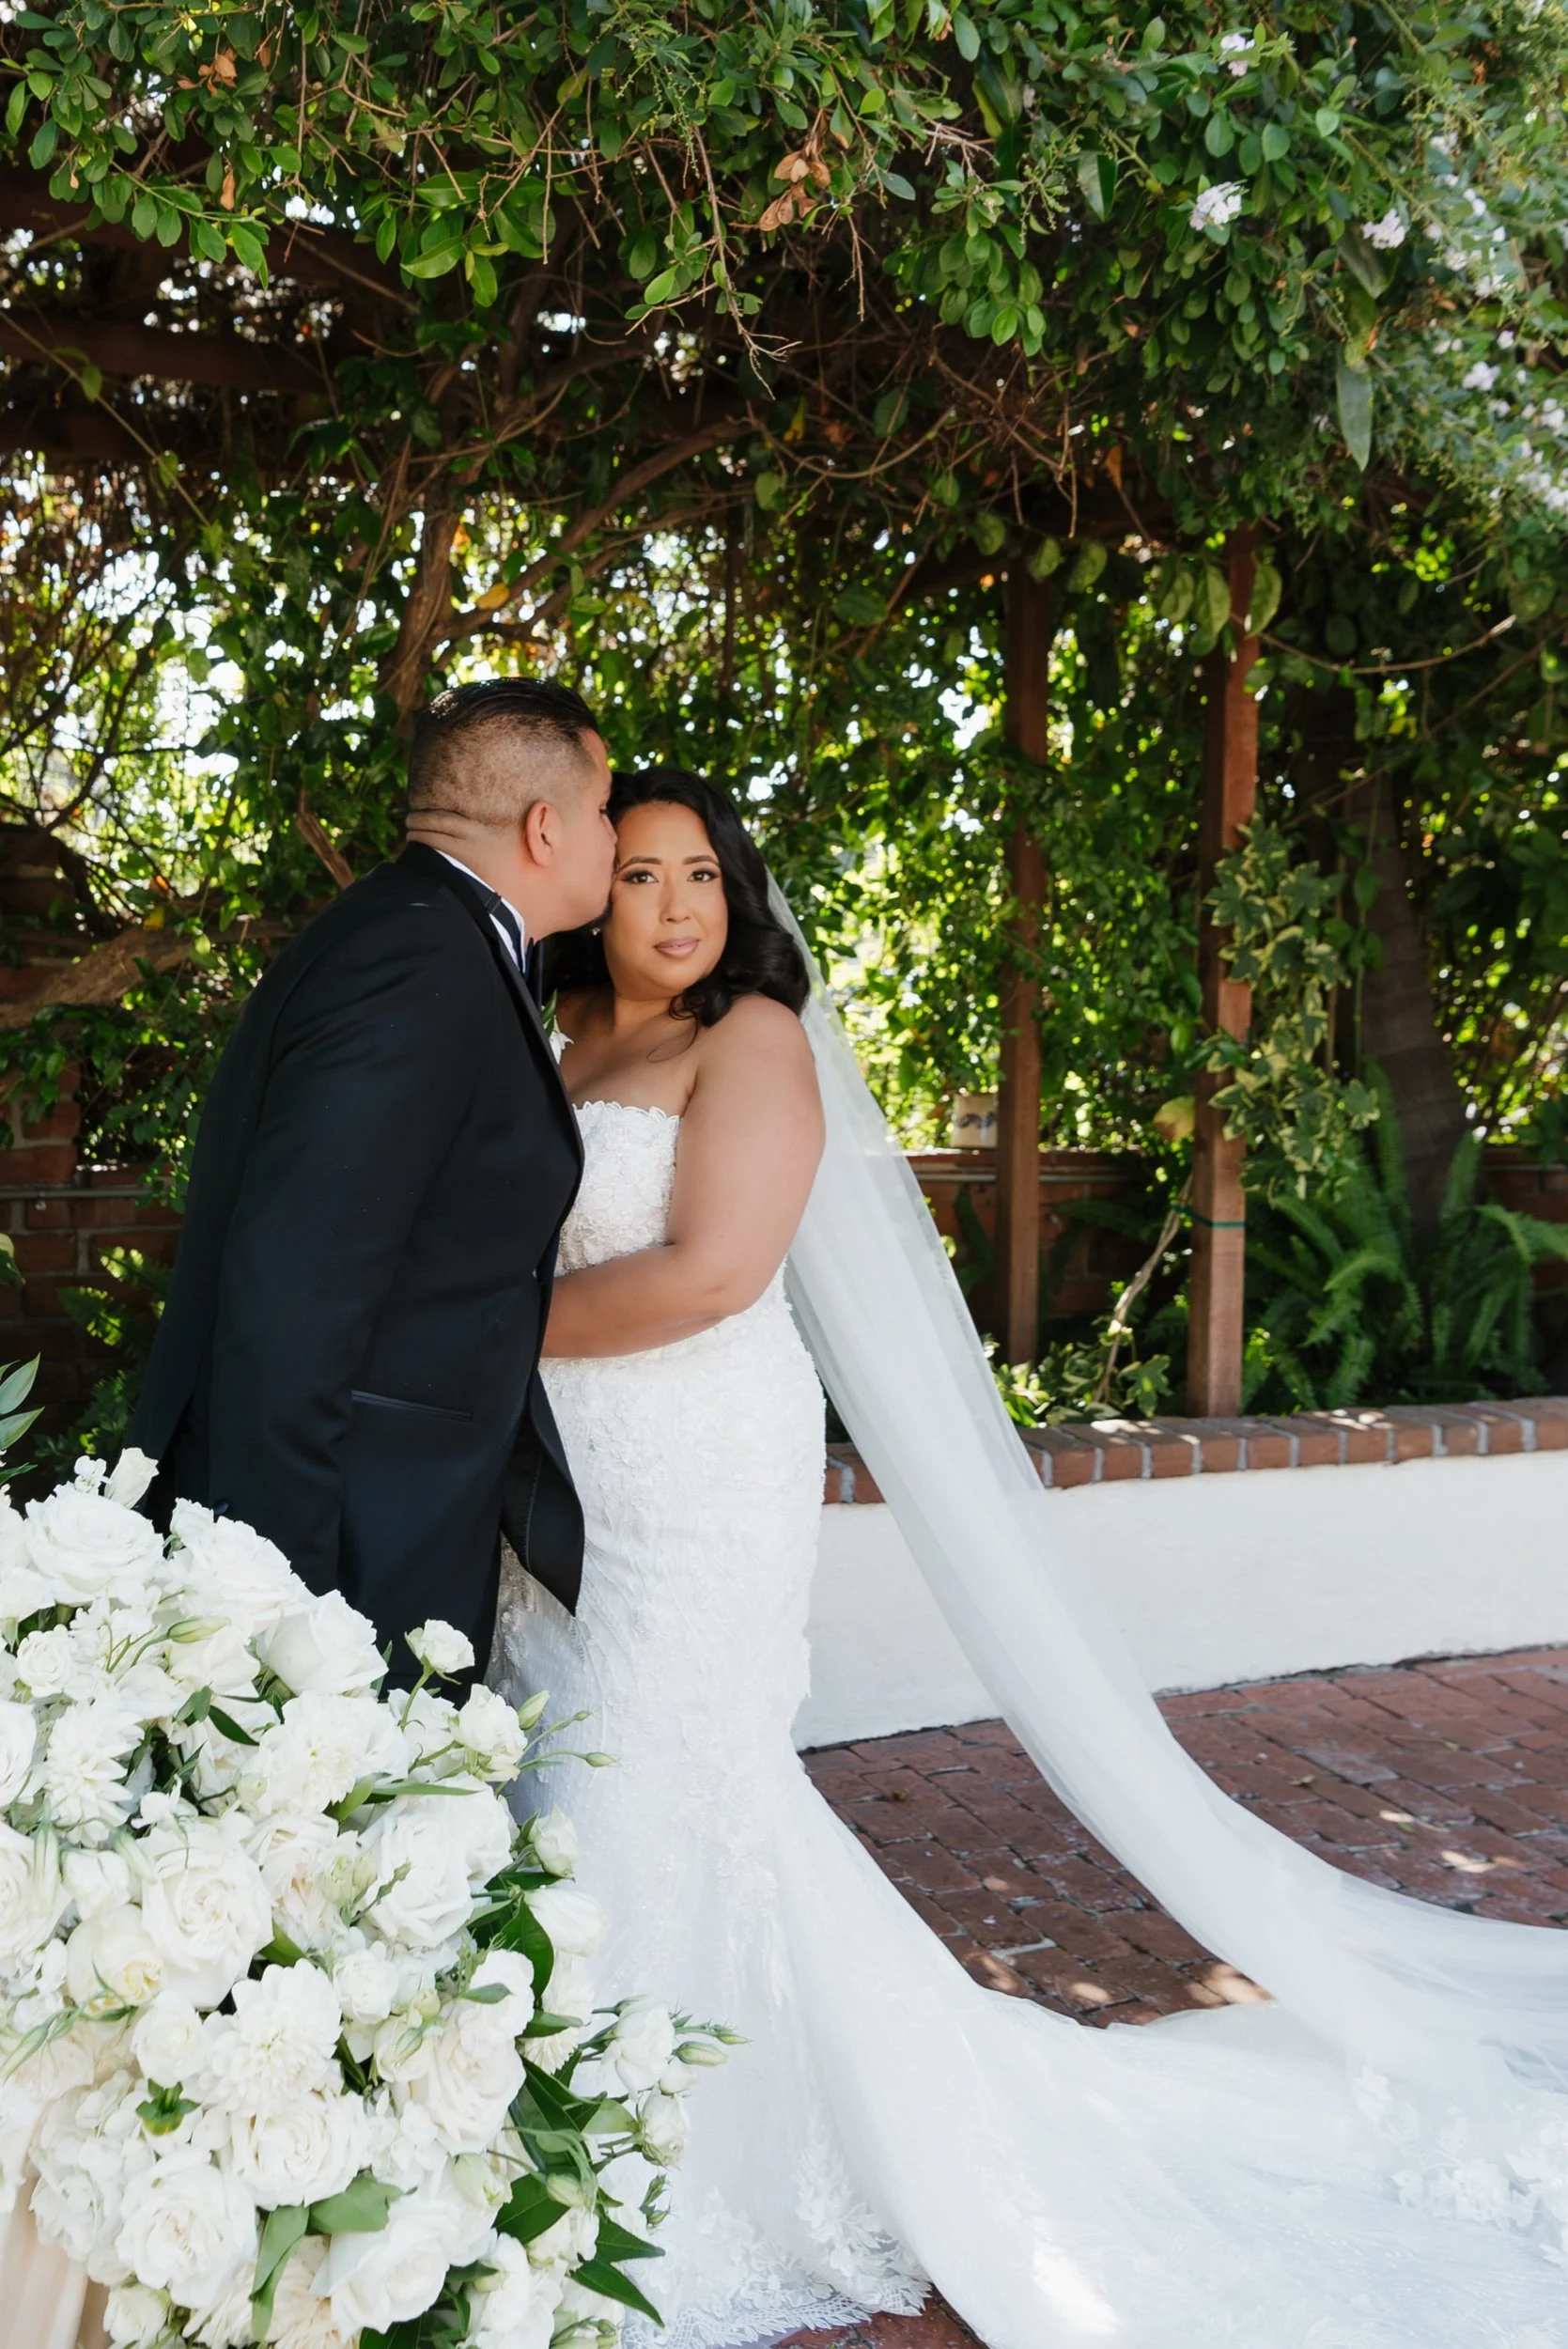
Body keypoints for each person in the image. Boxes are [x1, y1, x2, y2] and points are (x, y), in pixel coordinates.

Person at [492, 764, 1568, 2349]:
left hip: (695, 1455)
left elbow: (714, 1274)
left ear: (737, 894)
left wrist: (469, 1341)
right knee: (591, 1757)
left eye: (700, 876)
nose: (670, 908)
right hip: (569, 1460)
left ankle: (665, 2159)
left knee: (659, 1761)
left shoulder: (753, 1038)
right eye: (640, 875)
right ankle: (620, 2102)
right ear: (592, 888)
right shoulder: (564, 1037)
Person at [128, 677, 616, 1679]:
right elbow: (294, 1290)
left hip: (387, 1513)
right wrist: (293, 1604)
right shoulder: (416, 955)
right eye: (604, 811)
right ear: (543, 828)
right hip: (351, 1542)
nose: (612, 834)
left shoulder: (427, 935)